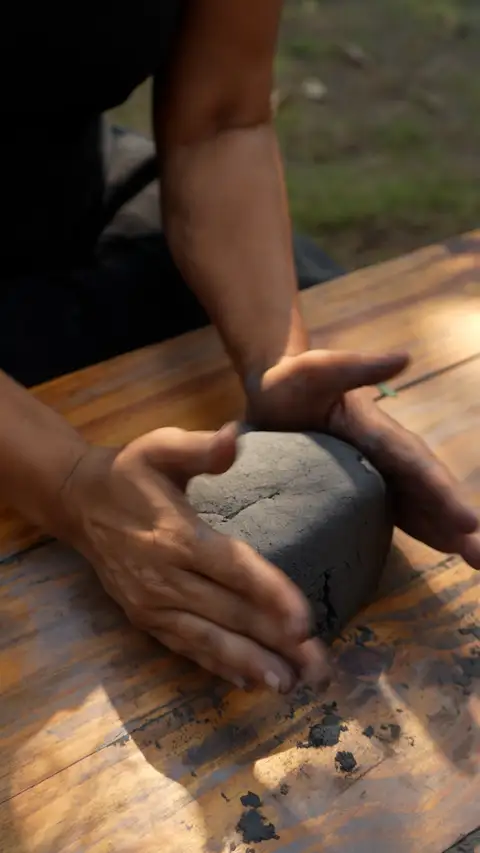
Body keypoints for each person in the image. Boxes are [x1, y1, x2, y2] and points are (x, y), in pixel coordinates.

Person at [2, 0, 479, 695]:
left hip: (74, 194)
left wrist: (275, 358)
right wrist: (70, 482)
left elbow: (223, 119)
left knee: (319, 307)